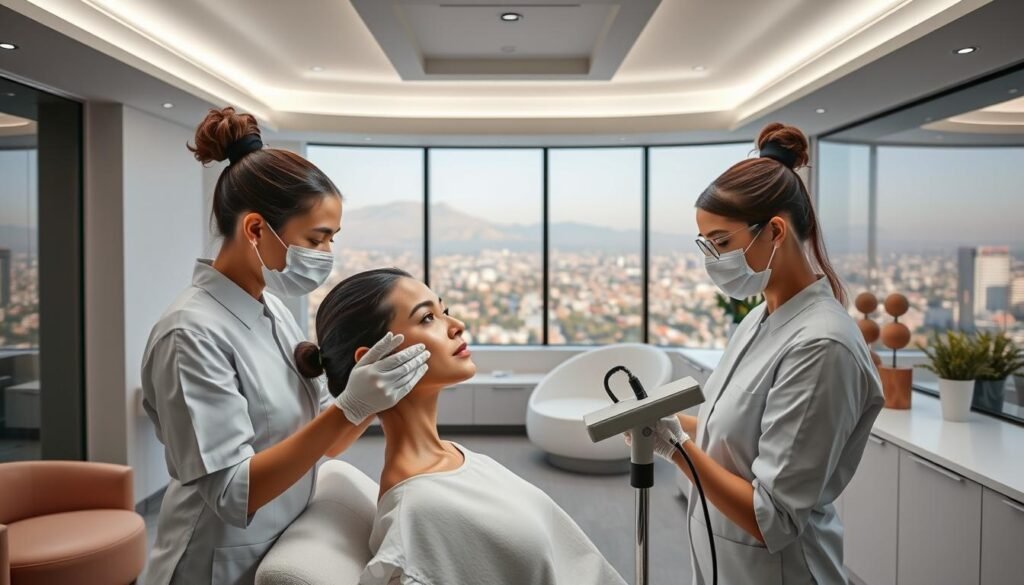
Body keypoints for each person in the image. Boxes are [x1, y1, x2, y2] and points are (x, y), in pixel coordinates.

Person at [140, 107, 430, 585]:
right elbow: (234, 494)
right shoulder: (189, 335)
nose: (326, 257)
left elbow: (323, 442)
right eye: (316, 239)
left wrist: (371, 403)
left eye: (332, 240)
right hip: (215, 560)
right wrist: (351, 405)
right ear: (256, 230)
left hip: (283, 541)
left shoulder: (273, 310)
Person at [631, 123, 884, 584]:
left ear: (775, 231)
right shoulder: (759, 318)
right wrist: (657, 418)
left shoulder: (821, 346)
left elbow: (774, 517)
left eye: (722, 242)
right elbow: (731, 431)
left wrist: (677, 449)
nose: (712, 260)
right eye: (706, 245)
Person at [293, 268, 628, 585]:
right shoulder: (420, 509)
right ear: (376, 360)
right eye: (427, 318)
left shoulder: (454, 456)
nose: (457, 325)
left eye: (445, 311)